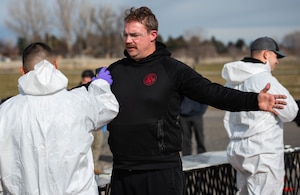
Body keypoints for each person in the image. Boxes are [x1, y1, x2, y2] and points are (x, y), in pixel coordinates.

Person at [105, 7, 287, 195]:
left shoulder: (172, 70)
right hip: (122, 172)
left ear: (153, 35)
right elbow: (85, 98)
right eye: (125, 35)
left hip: (160, 172)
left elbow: (212, 93)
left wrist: (254, 100)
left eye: (134, 35)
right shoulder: (115, 71)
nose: (128, 41)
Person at [0, 42, 119, 194]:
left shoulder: (5, 112)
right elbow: (108, 107)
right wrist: (101, 85)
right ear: (55, 65)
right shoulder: (79, 102)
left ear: (22, 71)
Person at [221, 37, 299, 194]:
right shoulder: (265, 80)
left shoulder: (231, 82)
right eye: (276, 56)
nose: (277, 62)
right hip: (263, 153)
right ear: (266, 55)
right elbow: (291, 112)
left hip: (238, 150)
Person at [79, 69, 104, 174]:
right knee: (87, 146)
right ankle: (86, 168)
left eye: (89, 79)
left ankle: (94, 165)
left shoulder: (95, 89)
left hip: (97, 123)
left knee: (98, 144)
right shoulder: (79, 90)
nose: (87, 81)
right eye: (85, 79)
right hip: (85, 123)